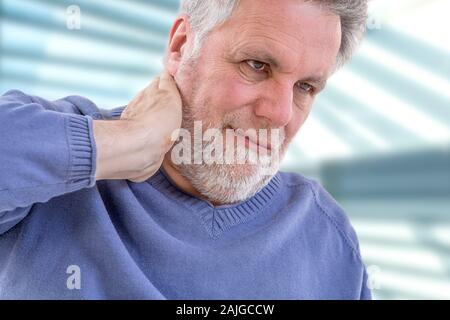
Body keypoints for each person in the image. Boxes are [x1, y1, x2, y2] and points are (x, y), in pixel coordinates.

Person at [0, 0, 371, 299]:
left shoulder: (324, 234)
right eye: (256, 66)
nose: (279, 113)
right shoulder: (49, 154)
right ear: (181, 46)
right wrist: (132, 139)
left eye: (305, 87)